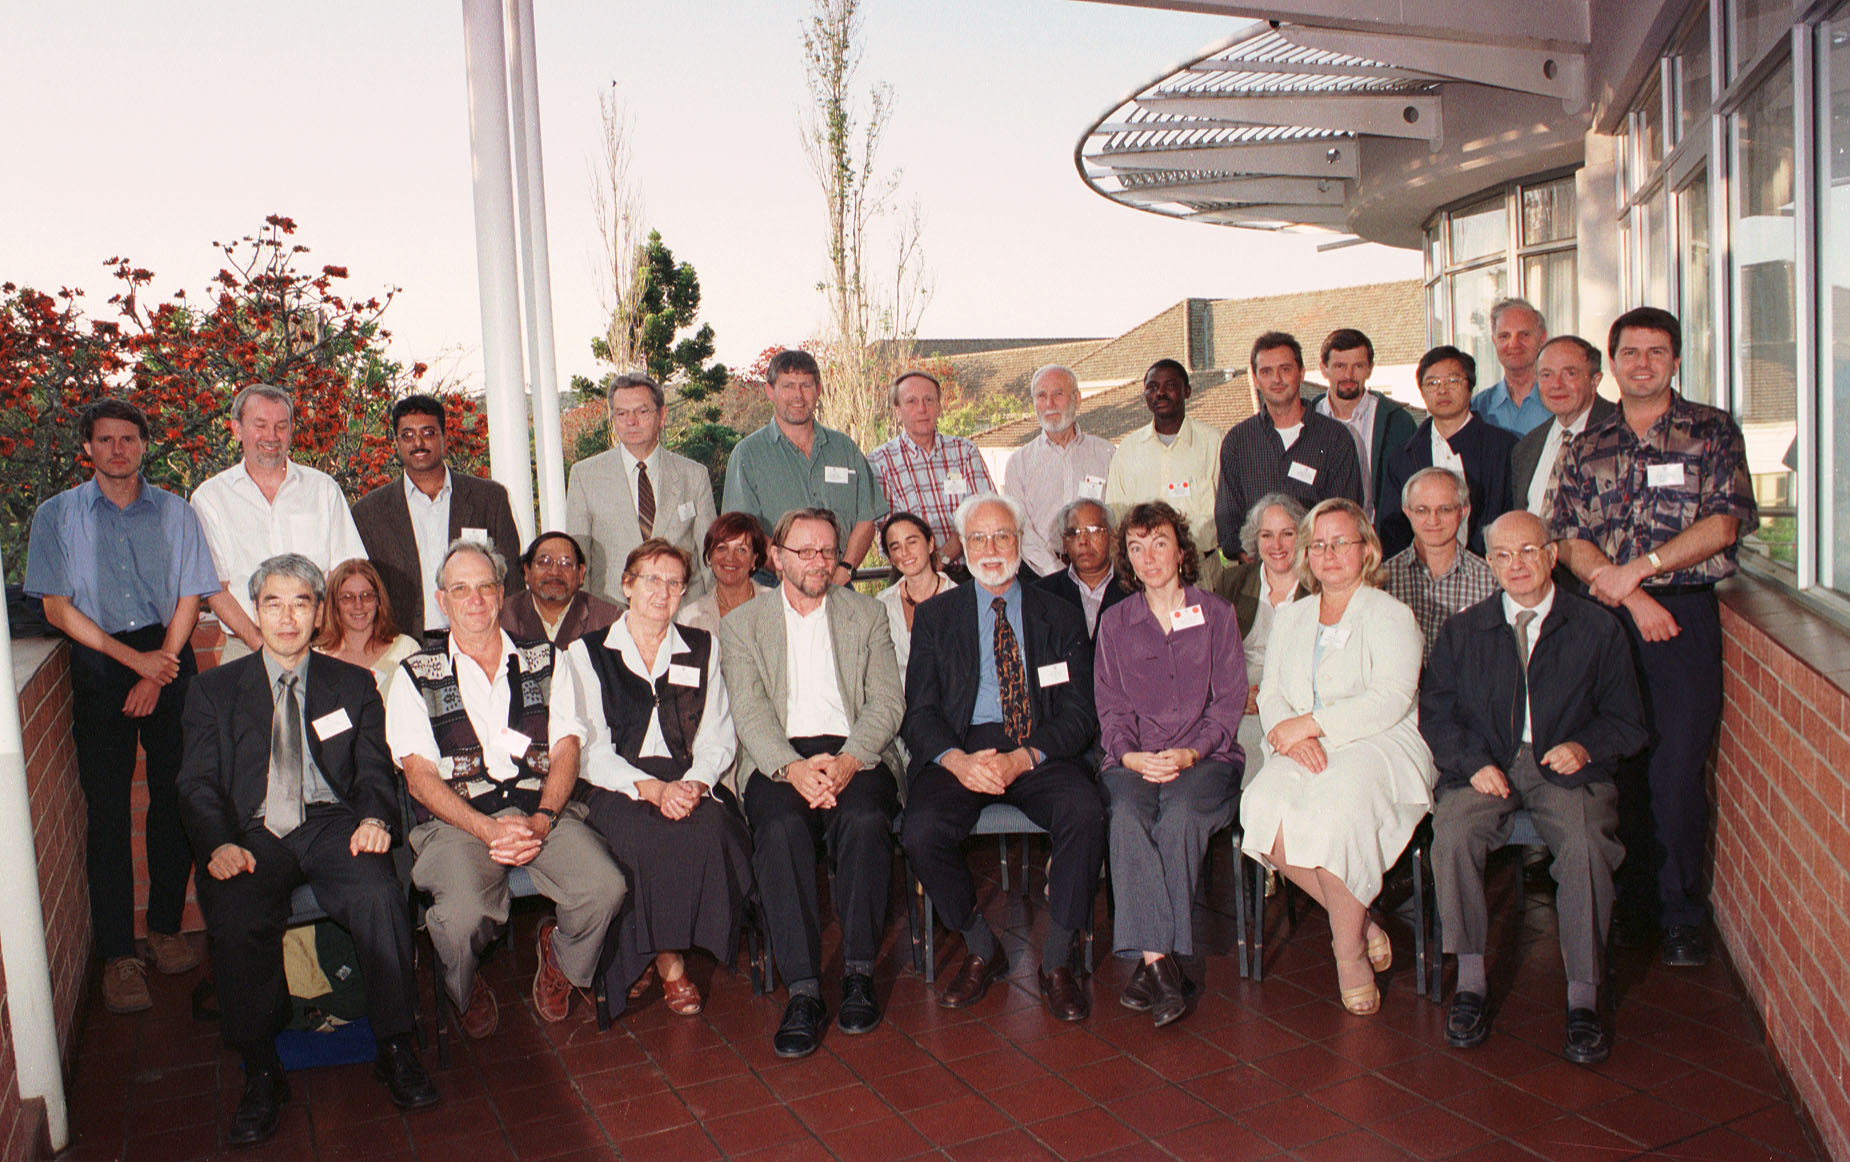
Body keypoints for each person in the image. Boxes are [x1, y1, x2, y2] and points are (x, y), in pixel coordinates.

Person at [177, 554, 439, 1146]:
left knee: (378, 893)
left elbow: (374, 768)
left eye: (301, 602)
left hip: (332, 823)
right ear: (256, 611)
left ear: (319, 612)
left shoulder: (352, 684)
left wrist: (375, 818)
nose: (288, 617)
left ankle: (396, 1046)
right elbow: (196, 783)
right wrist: (218, 843)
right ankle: (260, 1068)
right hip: (252, 832)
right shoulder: (214, 690)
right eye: (273, 603)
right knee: (236, 910)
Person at [1551, 307, 1755, 967]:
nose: (1642, 364)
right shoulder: (1585, 444)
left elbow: (1724, 524)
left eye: (1656, 351)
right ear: (1611, 363)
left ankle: (1680, 916)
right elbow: (1567, 538)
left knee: (1675, 769)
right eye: (1630, 352)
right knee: (1617, 766)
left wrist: (1642, 570)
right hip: (1607, 619)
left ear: (1676, 359)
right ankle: (1631, 908)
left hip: (1681, 619)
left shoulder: (1711, 431)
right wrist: (1631, 594)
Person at [1421, 511, 1645, 1064]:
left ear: (1552, 556)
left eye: (1528, 551)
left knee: (1586, 844)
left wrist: (1585, 746)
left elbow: (1628, 721)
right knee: (1453, 834)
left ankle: (1584, 999)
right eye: (1503, 555)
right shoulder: (1464, 631)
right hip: (1487, 767)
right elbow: (1438, 716)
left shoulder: (1597, 628)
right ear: (1489, 563)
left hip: (1565, 769)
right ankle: (1470, 983)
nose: (1516, 564)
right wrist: (1473, 763)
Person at [24, 399, 219, 1014]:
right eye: (105, 439)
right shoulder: (57, 515)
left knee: (177, 797)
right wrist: (137, 664)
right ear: (87, 447)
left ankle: (163, 927)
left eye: (128, 439)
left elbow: (190, 595)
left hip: (170, 653)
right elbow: (57, 609)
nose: (117, 450)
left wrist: (160, 667)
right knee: (107, 812)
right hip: (99, 658)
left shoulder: (177, 512)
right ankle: (118, 956)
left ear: (143, 445)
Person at [385, 541, 627, 1037]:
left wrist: (542, 818)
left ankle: (561, 958)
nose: (474, 599)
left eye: (485, 587)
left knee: (605, 887)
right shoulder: (414, 675)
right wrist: (486, 829)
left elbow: (566, 749)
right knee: (460, 919)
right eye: (460, 589)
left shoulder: (547, 660)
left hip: (541, 810)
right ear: (442, 600)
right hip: (458, 820)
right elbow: (419, 777)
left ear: (501, 594)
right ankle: (464, 986)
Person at [901, 494, 1106, 1022]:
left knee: (1086, 812)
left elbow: (1081, 712)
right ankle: (980, 945)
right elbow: (919, 713)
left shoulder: (1058, 613)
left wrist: (1025, 758)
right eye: (978, 538)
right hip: (963, 747)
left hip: (1038, 745)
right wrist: (956, 761)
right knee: (920, 829)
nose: (991, 548)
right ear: (962, 547)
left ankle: (1056, 960)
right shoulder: (936, 617)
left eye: (1002, 536)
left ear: (1020, 541)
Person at [719, 508, 904, 1058]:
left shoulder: (866, 614)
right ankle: (802, 990)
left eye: (827, 550)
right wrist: (792, 768)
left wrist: (848, 761)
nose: (819, 561)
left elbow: (887, 702)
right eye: (805, 551)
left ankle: (858, 973)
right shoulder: (743, 624)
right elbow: (749, 712)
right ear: (776, 558)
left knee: (865, 818)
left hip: (856, 749)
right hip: (778, 756)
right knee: (778, 827)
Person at [1240, 499, 1435, 1016]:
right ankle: (1362, 922)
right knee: (1259, 806)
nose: (1328, 555)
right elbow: (1272, 690)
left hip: (1378, 741)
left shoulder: (1391, 614)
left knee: (1339, 815)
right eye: (1318, 545)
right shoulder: (1294, 615)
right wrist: (1288, 735)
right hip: (1301, 741)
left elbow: (1390, 698)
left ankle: (1347, 953)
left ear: (1367, 550)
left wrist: (1312, 725)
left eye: (1340, 543)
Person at [559, 540, 753, 1019]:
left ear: (684, 591)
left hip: (685, 777)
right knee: (645, 838)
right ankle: (668, 961)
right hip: (614, 783)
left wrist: (695, 784)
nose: (662, 592)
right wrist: (653, 790)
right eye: (651, 579)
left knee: (714, 829)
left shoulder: (701, 647)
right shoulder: (586, 653)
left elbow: (717, 735)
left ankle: (655, 947)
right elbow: (590, 750)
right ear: (627, 585)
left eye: (674, 582)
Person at [1093, 502, 1246, 1027]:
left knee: (1179, 816)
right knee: (1127, 816)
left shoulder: (1217, 615)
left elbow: (1229, 703)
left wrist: (1191, 752)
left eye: (1159, 543)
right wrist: (1130, 755)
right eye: (1136, 548)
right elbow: (1110, 707)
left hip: (1206, 758)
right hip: (1133, 758)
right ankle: (1163, 967)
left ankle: (1151, 964)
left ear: (1181, 551)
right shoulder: (1115, 623)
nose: (1148, 557)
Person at [190, 384, 367, 658]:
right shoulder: (210, 498)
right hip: (246, 648)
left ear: (291, 430)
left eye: (281, 426)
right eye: (260, 425)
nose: (271, 436)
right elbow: (216, 588)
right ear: (237, 429)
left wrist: (311, 632)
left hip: (320, 646)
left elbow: (348, 571)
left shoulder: (323, 489)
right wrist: (262, 645)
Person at [351, 394, 523, 640]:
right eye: (407, 435)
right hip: (401, 644)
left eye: (428, 433)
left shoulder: (489, 499)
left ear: (444, 437)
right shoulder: (369, 512)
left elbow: (512, 580)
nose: (418, 442)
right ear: (396, 442)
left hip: (478, 639)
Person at [722, 349, 887, 584]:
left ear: (818, 390)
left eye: (806, 386)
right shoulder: (747, 455)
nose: (798, 396)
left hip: (837, 582)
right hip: (775, 584)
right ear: (770, 391)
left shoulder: (845, 449)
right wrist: (791, 573)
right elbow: (744, 531)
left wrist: (844, 570)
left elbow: (866, 519)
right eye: (788, 386)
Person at [566, 372, 718, 600]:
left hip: (683, 612)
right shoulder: (584, 476)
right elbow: (579, 562)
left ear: (662, 415)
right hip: (613, 612)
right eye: (622, 413)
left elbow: (710, 559)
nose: (631, 421)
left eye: (642, 411)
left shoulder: (694, 475)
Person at [1215, 331, 1364, 561]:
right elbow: (1228, 524)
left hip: (1320, 570)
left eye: (1285, 369)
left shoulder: (1335, 439)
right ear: (1255, 378)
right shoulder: (1238, 441)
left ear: (1301, 373)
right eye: (1266, 371)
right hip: (1259, 572)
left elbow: (1347, 515)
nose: (1276, 379)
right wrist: (1266, 568)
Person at [1378, 346, 1518, 558]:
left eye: (1453, 381)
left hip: (1490, 568)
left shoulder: (1503, 447)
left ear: (1470, 387)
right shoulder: (1404, 456)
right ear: (1422, 391)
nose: (1442, 390)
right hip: (1422, 572)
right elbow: (1393, 529)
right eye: (1432, 383)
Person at [1213, 494, 1306, 780]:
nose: (1277, 545)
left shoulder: (1318, 584)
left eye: (1287, 534)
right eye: (1267, 535)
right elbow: (1212, 656)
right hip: (1243, 690)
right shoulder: (1232, 581)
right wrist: (1236, 696)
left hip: (1298, 690)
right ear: (1255, 539)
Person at [868, 370, 996, 574]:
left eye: (929, 400)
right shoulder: (879, 462)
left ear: (939, 407)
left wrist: (942, 557)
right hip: (912, 573)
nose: (922, 409)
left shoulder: (964, 451)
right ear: (898, 411)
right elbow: (892, 532)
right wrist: (927, 566)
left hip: (969, 571)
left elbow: (985, 513)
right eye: (912, 401)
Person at [1105, 359, 1224, 577]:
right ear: (1145, 396)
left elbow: (1229, 511)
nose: (1160, 393)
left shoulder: (1214, 443)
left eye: (1169, 386)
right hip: (1145, 572)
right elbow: (1116, 517)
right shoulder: (1128, 450)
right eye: (1152, 387)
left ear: (1187, 391)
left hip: (1201, 571)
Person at [1005, 364, 1117, 577]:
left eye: (1058, 394)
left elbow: (1115, 519)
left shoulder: (1107, 455)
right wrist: (1055, 571)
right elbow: (1020, 528)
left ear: (1077, 399)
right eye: (1041, 396)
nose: (1050, 404)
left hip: (1099, 572)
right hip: (1040, 574)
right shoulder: (1019, 463)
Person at [1382, 468, 1499, 660]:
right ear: (1407, 512)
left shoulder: (1490, 581)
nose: (1433, 520)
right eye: (1422, 510)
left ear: (1463, 511)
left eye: (1445, 509)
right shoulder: (1382, 579)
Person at [1312, 328, 1417, 519]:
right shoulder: (1306, 419)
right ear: (1323, 369)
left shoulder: (1399, 423)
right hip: (1320, 534)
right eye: (1340, 366)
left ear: (1370, 369)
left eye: (1358, 366)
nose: (1348, 375)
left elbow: (1413, 489)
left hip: (1378, 534)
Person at [1513, 336, 1618, 518]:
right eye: (1547, 375)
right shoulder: (1525, 448)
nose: (1556, 385)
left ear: (1595, 381)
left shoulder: (1622, 431)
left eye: (1570, 374)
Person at [314, 558, 421, 697]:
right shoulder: (317, 658)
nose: (358, 605)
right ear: (334, 604)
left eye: (367, 596)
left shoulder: (406, 649)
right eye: (347, 597)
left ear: (379, 600)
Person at [498, 531, 623, 648]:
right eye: (544, 562)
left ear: (581, 574)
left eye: (565, 564)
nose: (554, 572)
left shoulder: (608, 619)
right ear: (526, 571)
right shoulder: (502, 615)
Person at [1033, 499, 1128, 640]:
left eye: (1093, 531)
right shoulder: (1041, 594)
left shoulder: (1133, 590)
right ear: (1064, 543)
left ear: (1112, 536)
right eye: (1074, 533)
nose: (1083, 541)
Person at [876, 511, 954, 674]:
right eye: (895, 547)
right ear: (890, 557)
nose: (905, 553)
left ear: (930, 544)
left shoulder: (959, 599)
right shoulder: (882, 605)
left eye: (912, 542)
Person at [675, 512, 772, 635]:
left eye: (741, 550)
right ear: (710, 556)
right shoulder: (689, 618)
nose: (730, 557)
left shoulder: (775, 605)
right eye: (722, 548)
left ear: (754, 559)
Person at [1471, 298, 1553, 437]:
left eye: (1524, 335)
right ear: (1494, 341)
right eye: (1504, 336)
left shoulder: (1561, 399)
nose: (1514, 344)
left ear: (1542, 338)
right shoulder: (1478, 408)